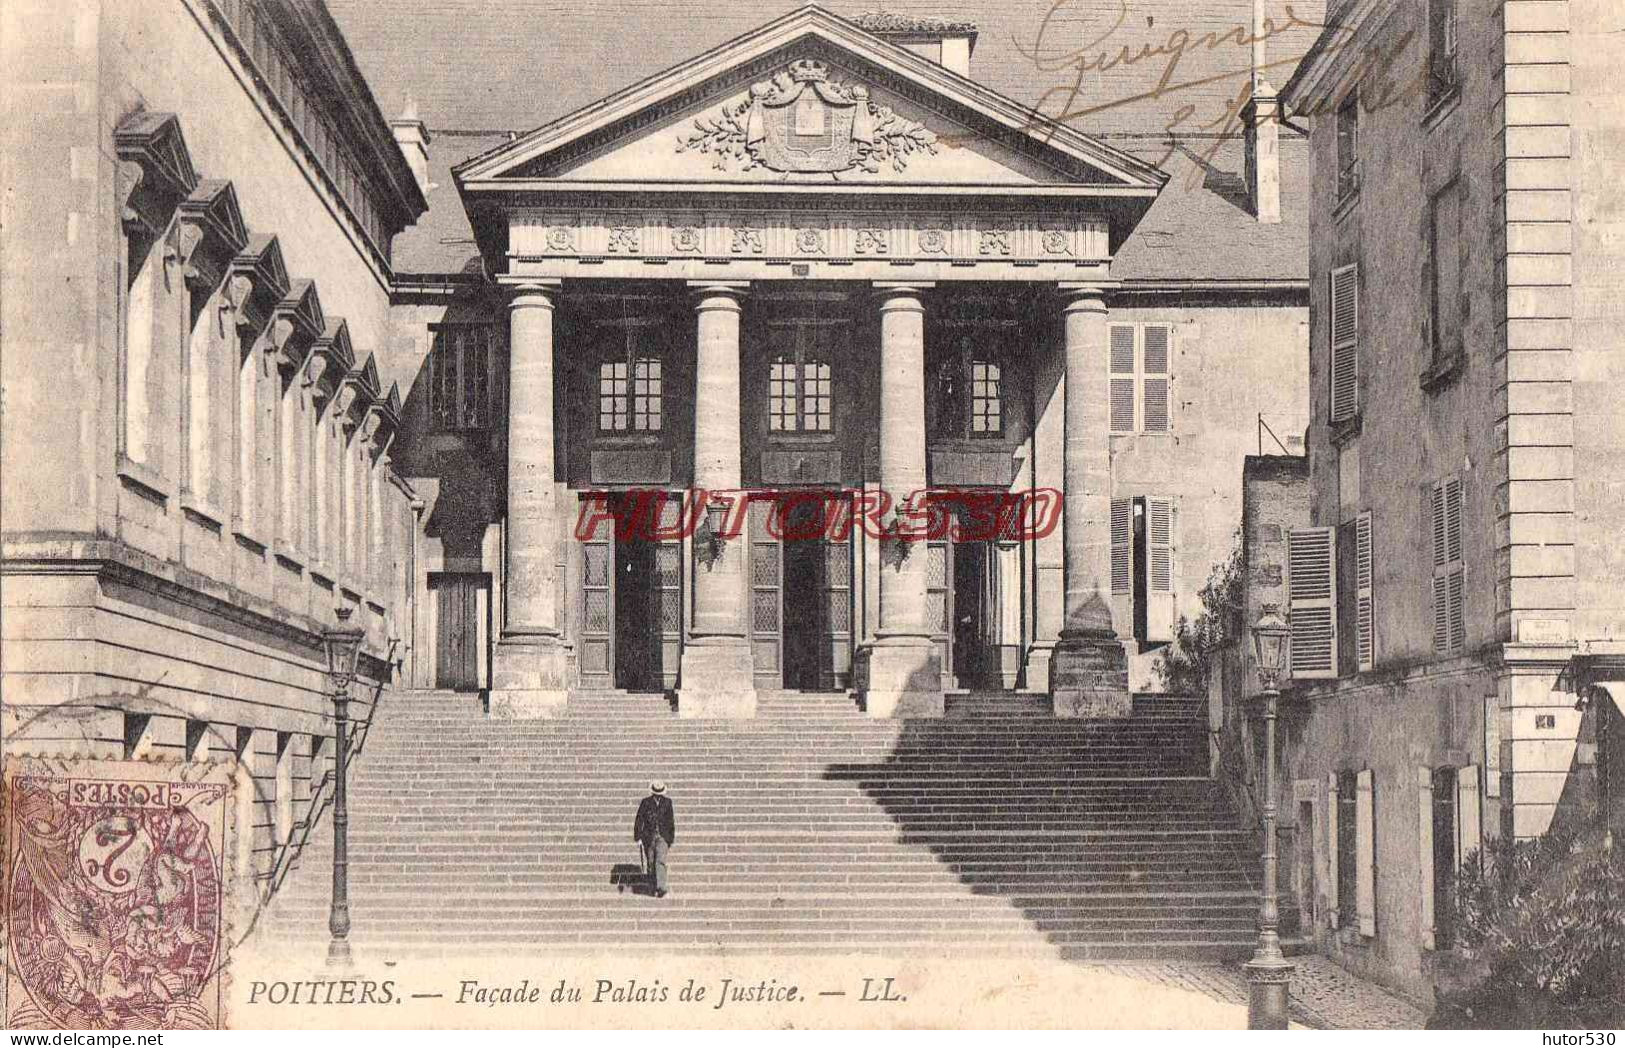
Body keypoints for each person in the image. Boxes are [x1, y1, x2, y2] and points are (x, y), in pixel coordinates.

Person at [633, 781, 675, 897]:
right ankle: (652, 886)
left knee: (660, 861)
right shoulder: (645, 802)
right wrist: (638, 838)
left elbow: (670, 821)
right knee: (651, 863)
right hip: (648, 836)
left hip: (662, 836)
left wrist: (670, 839)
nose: (657, 795)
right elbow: (639, 820)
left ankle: (661, 887)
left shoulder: (667, 802)